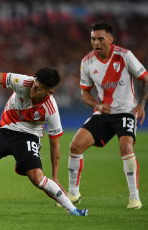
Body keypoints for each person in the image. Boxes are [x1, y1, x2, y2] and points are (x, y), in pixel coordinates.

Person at [0, 69, 89, 216]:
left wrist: (55, 177)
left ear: (49, 92)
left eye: (38, 89)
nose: (33, 89)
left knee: (37, 178)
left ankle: (73, 210)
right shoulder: (24, 82)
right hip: (4, 131)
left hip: (28, 137)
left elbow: (54, 144)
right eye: (34, 84)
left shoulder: (50, 109)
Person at [65, 22, 148, 209]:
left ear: (111, 39)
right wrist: (96, 105)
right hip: (103, 113)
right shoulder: (87, 62)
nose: (96, 42)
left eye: (100, 39)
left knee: (126, 146)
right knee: (75, 146)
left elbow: (145, 79)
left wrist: (141, 105)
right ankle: (73, 194)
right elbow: (84, 93)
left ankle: (134, 198)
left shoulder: (125, 56)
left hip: (126, 112)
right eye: (93, 39)